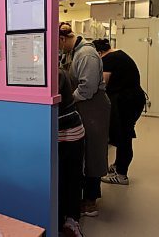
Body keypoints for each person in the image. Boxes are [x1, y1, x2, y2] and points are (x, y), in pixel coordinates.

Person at [58, 22, 110, 217]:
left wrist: (67, 98)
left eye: (57, 44)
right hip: (82, 105)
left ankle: (91, 201)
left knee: (93, 151)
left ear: (63, 39)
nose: (58, 49)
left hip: (93, 106)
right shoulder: (74, 52)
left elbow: (87, 89)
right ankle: (82, 196)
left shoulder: (86, 54)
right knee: (84, 152)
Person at [92, 39, 146, 185]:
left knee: (124, 137)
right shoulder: (118, 54)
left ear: (98, 53)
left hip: (126, 102)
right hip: (134, 99)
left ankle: (121, 175)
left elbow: (103, 84)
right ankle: (117, 166)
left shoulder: (108, 59)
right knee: (124, 134)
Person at [58, 68, 85, 237]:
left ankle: (68, 221)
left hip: (68, 133)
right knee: (68, 179)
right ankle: (68, 220)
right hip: (67, 130)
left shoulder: (57, 75)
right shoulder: (60, 72)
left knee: (67, 179)